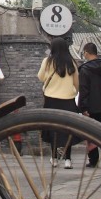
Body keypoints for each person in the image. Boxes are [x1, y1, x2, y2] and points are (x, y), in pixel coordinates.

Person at [36, 36, 79, 169]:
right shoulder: (71, 62)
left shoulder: (47, 61)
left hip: (51, 99)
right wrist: (73, 92)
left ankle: (54, 158)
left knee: (52, 128)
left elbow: (40, 77)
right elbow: (76, 82)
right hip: (68, 100)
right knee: (68, 129)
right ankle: (68, 160)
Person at [79, 42, 101, 167]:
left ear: (86, 53)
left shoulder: (84, 69)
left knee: (91, 132)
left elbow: (84, 89)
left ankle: (93, 160)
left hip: (90, 106)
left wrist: (83, 107)